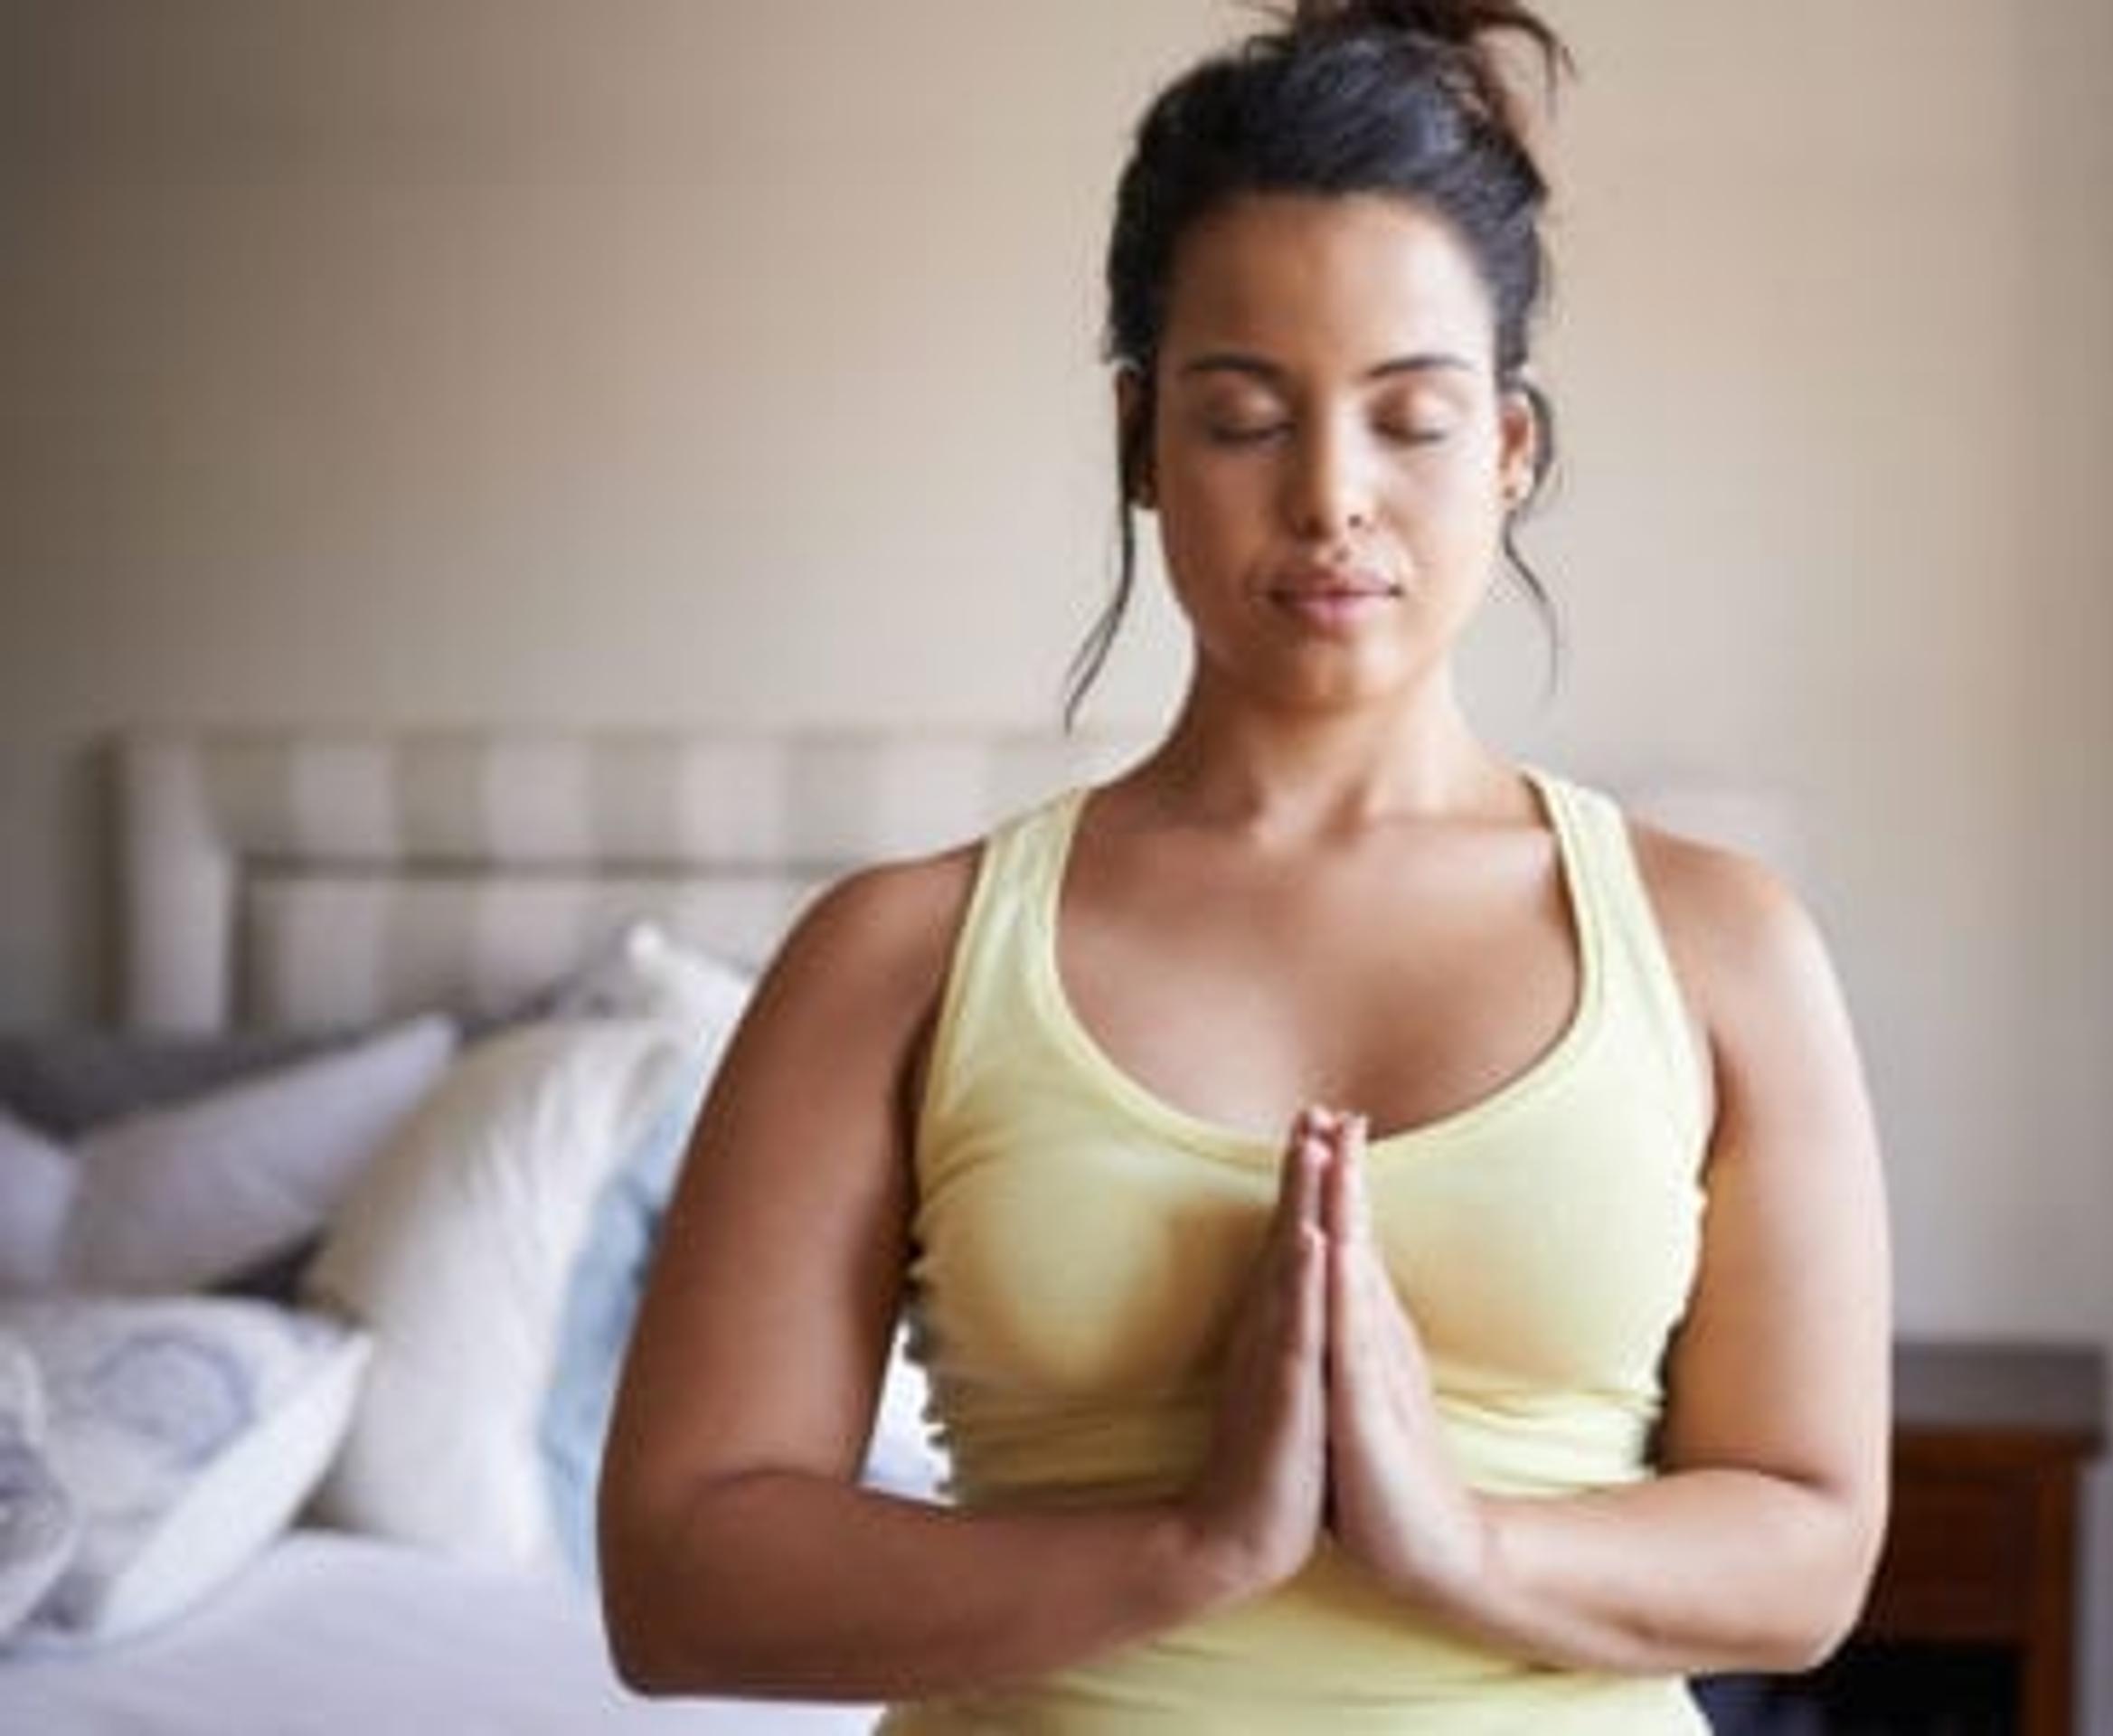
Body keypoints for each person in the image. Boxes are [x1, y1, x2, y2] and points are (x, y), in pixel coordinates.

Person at [593, 2, 1893, 1730]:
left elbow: (1808, 1556)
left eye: (1411, 419)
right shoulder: (897, 957)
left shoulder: (1719, 948)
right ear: (1142, 445)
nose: (1331, 497)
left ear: (1509, 451)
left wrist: (1458, 1545)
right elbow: (681, 1578)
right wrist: (1189, 1550)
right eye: (1243, 417)